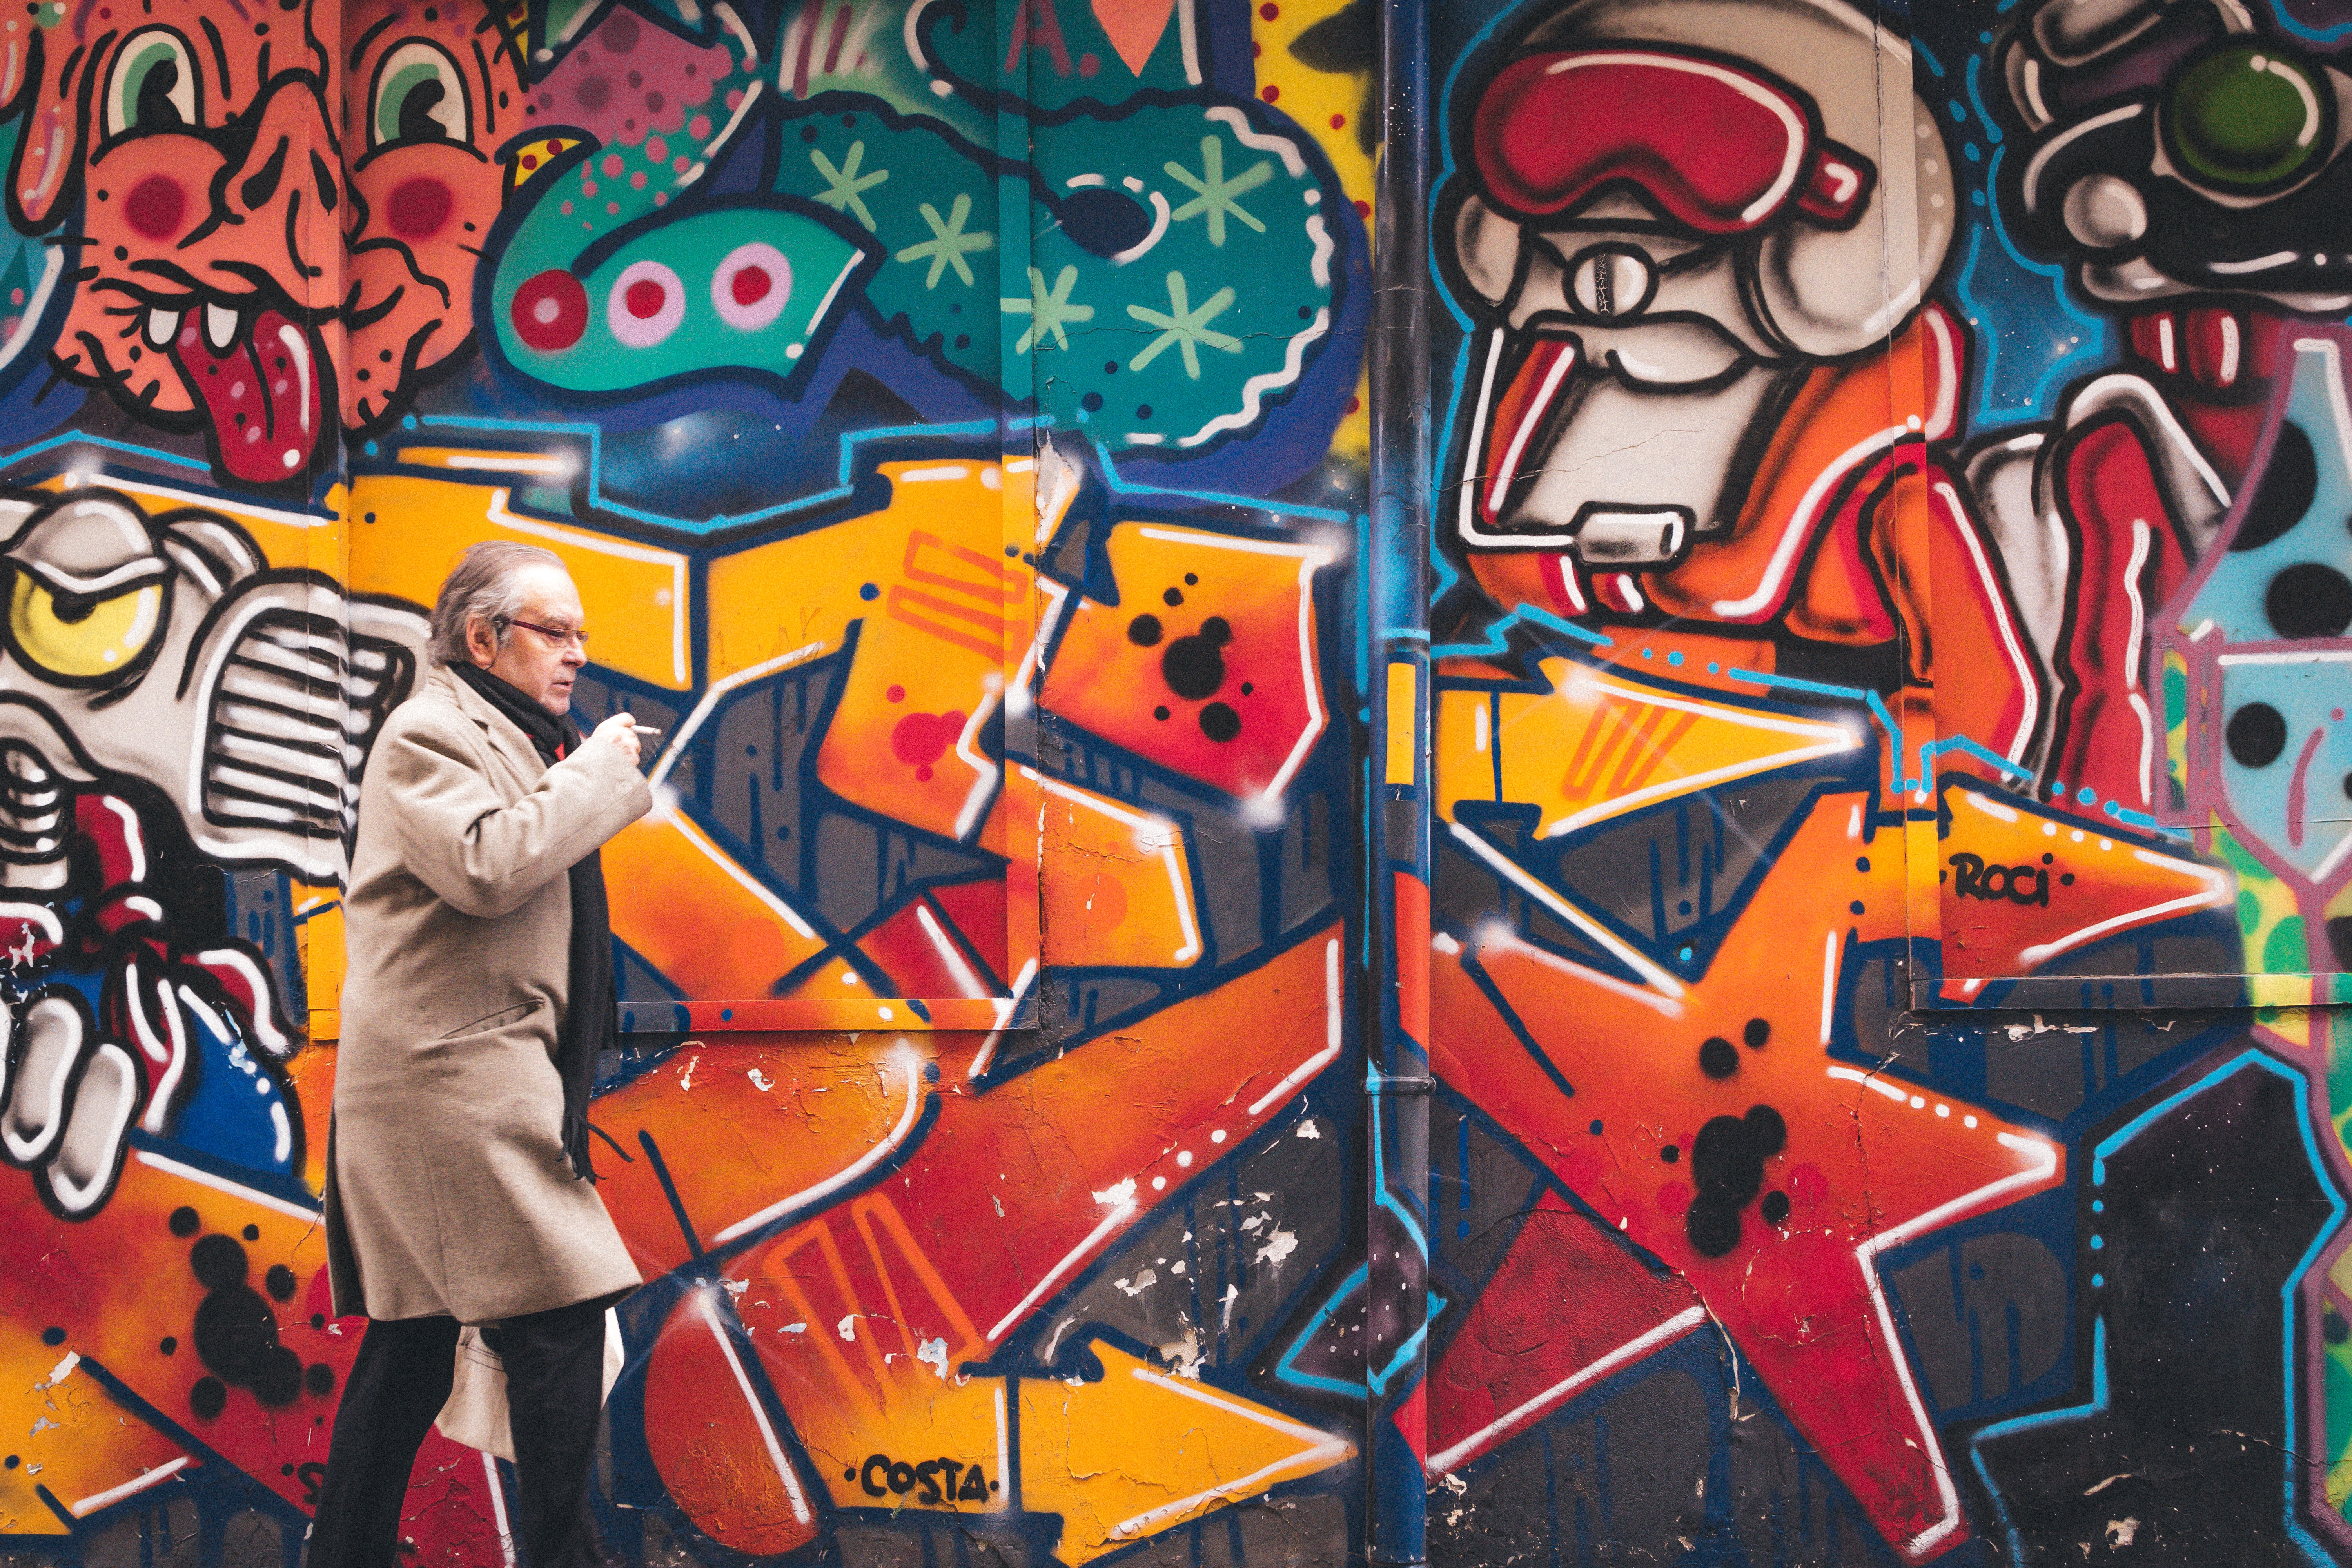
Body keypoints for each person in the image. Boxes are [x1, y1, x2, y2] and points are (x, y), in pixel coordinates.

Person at [311, 541, 651, 1568]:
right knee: (561, 1313)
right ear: (481, 638)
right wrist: (595, 776)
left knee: (414, 1343)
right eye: (555, 632)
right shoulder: (427, 734)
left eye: (581, 635)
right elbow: (486, 865)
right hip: (447, 1085)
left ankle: (345, 1554)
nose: (576, 656)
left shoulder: (510, 736)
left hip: (479, 1082)